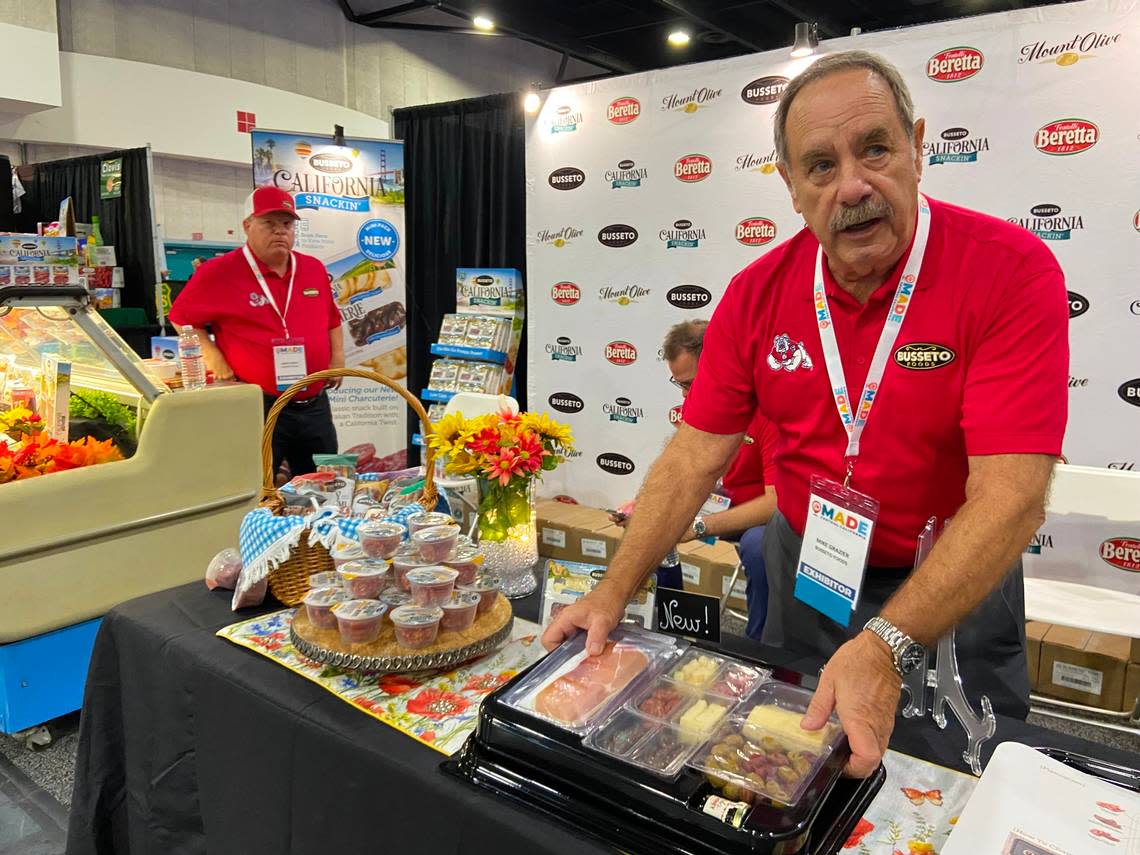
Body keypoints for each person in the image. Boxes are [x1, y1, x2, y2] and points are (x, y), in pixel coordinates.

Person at [543, 50, 1067, 779]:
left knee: (956, 779)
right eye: (820, 166)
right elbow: (695, 455)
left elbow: (1011, 496)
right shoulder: (756, 294)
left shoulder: (1009, 269)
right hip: (813, 571)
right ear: (790, 187)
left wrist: (886, 642)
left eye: (876, 148)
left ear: (918, 148)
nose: (853, 185)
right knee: (789, 767)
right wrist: (612, 589)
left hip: (955, 582)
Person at [612, 319, 778, 638]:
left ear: (721, 367)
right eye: (680, 385)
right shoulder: (698, 405)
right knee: (650, 522)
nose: (687, 398)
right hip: (716, 508)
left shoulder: (769, 410)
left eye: (692, 384)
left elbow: (776, 504)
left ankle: (760, 653)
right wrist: (644, 508)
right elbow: (685, 474)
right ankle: (666, 631)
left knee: (759, 546)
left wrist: (699, 526)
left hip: (757, 519)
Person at [168, 186, 345, 476]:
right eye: (269, 224)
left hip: (313, 405)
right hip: (259, 406)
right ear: (247, 226)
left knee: (324, 485)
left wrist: (337, 361)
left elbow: (332, 320)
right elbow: (181, 318)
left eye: (287, 224)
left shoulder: (312, 268)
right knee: (258, 487)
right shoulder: (219, 272)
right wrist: (212, 355)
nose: (280, 232)